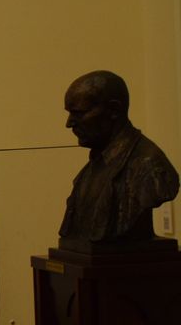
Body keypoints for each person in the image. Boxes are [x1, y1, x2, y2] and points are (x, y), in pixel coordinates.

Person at [58, 69, 179, 246]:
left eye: (79, 113)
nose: (69, 123)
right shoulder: (93, 167)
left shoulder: (149, 164)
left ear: (113, 110)